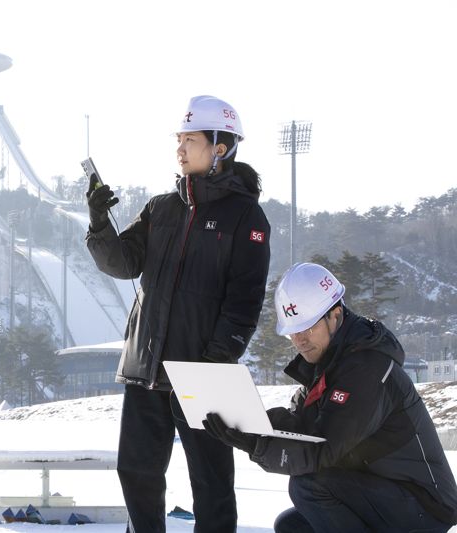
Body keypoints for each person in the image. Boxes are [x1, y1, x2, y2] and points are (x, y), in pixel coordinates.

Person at [85, 95, 271, 533]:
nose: (180, 148)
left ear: (220, 146)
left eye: (190, 139)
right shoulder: (160, 208)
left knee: (212, 486)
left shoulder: (246, 216)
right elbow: (123, 265)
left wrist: (217, 357)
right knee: (137, 476)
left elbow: (245, 299)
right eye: (179, 139)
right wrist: (98, 222)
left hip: (205, 371)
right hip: (145, 368)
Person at [204, 262, 457, 532]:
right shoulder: (326, 366)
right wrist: (252, 427)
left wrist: (258, 444)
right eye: (292, 332)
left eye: (307, 328)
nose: (299, 340)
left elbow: (324, 445)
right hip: (381, 490)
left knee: (309, 486)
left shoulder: (367, 367)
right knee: (292, 526)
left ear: (335, 315)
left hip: (424, 505)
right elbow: (302, 428)